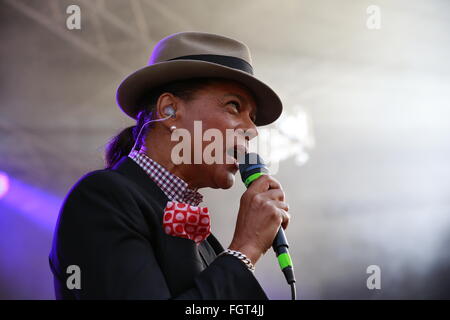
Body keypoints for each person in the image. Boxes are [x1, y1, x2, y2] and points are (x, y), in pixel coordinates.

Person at [49, 31, 290, 299]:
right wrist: (247, 247)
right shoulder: (101, 199)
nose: (252, 130)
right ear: (169, 110)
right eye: (234, 106)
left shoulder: (205, 239)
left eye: (253, 117)